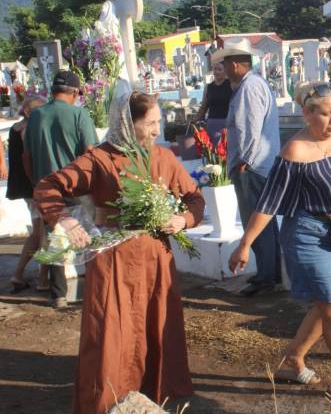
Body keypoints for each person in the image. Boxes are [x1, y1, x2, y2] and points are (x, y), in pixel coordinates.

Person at [34, 92, 204, 414]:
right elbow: (48, 186)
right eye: (150, 123)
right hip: (113, 260)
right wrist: (65, 218)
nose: (157, 130)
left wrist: (183, 219)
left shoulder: (163, 157)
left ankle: (155, 398)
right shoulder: (99, 159)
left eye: (158, 122)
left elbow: (195, 198)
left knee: (156, 328)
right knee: (110, 334)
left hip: (156, 259)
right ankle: (107, 401)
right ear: (128, 123)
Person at [228, 81, 331, 406]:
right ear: (307, 113)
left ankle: (292, 360)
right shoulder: (295, 151)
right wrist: (245, 244)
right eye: (325, 114)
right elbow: (269, 202)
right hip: (309, 235)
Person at [212, 37, 282, 296]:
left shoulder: (248, 87)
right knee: (265, 221)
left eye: (226, 63)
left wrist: (244, 161)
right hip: (260, 164)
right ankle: (270, 272)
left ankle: (266, 277)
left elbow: (248, 130)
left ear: (237, 64)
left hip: (253, 166)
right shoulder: (254, 84)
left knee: (256, 221)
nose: (224, 68)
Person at [23, 71, 98, 308]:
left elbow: (27, 156)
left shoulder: (35, 116)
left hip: (46, 187)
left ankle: (59, 295)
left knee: (56, 239)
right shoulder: (78, 114)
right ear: (75, 92)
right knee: (88, 236)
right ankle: (95, 289)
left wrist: (37, 184)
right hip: (75, 186)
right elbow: (89, 151)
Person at [7, 95, 48, 293]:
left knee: (39, 231)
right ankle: (40, 278)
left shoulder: (16, 129)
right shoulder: (26, 130)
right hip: (33, 187)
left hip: (24, 188)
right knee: (42, 233)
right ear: (30, 112)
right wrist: (37, 184)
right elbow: (27, 158)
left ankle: (22, 274)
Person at [188, 61, 233, 144]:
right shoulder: (209, 87)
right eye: (215, 69)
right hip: (212, 123)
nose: (216, 72)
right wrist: (195, 119)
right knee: (215, 152)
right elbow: (204, 106)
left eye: (220, 69)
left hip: (228, 123)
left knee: (228, 150)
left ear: (225, 71)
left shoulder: (231, 85)